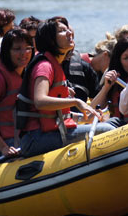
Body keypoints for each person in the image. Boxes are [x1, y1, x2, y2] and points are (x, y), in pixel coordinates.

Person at [17, 18, 113, 157]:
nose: (69, 33)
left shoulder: (55, 64)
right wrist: (76, 102)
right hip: (36, 138)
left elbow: (57, 115)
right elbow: (40, 101)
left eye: (68, 29)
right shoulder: (45, 66)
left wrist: (85, 118)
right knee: (107, 130)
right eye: (62, 31)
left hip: (47, 134)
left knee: (109, 125)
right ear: (51, 40)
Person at [0, 28, 34, 161]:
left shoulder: (26, 74)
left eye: (28, 48)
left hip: (20, 138)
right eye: (17, 49)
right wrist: (3, 147)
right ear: (7, 52)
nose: (24, 53)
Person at [90, 36, 128, 124]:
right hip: (120, 129)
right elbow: (92, 111)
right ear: (120, 61)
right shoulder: (115, 80)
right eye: (126, 58)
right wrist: (106, 88)